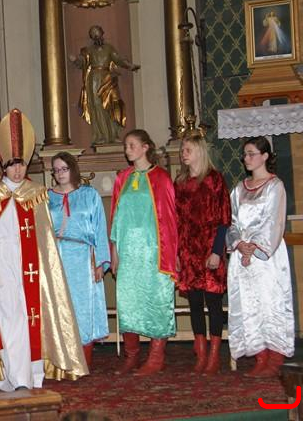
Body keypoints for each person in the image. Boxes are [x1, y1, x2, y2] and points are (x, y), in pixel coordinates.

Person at [0, 109, 87, 391]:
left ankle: (29, 375)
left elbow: (46, 241)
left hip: (29, 267)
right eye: (13, 165)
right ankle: (11, 376)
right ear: (4, 166)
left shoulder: (35, 194)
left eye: (22, 164)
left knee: (28, 317)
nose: (18, 170)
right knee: (9, 318)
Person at [110, 129, 177, 376]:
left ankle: (156, 357)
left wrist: (171, 254)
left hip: (153, 251)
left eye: (132, 145)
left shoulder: (161, 177)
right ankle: (132, 356)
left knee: (156, 301)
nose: (127, 150)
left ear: (145, 147)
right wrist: (114, 250)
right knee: (128, 302)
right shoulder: (123, 178)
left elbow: (169, 218)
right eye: (126, 146)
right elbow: (116, 217)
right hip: (128, 252)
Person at [226, 136, 293, 377]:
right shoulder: (239, 189)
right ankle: (259, 355)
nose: (246, 158)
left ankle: (274, 357)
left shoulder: (275, 186)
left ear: (265, 156)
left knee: (270, 302)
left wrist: (254, 247)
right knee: (248, 304)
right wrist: (239, 243)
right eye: (245, 154)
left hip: (266, 257)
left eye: (251, 153)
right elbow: (232, 222)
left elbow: (274, 222)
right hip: (242, 256)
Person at [174, 134, 231, 375]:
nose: (183, 154)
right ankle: (201, 353)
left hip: (209, 249)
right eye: (182, 150)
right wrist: (177, 253)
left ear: (199, 151)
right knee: (195, 304)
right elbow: (176, 221)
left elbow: (224, 219)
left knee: (214, 303)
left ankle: (215, 355)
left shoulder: (215, 179)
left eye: (188, 149)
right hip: (188, 250)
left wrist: (217, 251)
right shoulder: (180, 183)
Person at [47, 152, 110, 370]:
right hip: (56, 258)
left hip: (83, 258)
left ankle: (84, 358)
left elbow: (100, 228)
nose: (60, 174)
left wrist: (100, 262)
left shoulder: (89, 195)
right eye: (56, 170)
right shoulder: (46, 198)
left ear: (72, 169)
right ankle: (62, 359)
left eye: (64, 169)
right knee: (59, 306)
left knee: (82, 308)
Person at [69, 25, 140, 145]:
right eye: (93, 34)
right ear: (91, 37)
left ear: (102, 33)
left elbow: (119, 60)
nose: (96, 36)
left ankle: (113, 134)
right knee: (97, 107)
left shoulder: (109, 48)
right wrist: (75, 59)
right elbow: (82, 62)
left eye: (98, 33)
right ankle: (100, 135)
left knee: (111, 105)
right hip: (93, 80)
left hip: (107, 78)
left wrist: (130, 66)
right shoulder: (88, 50)